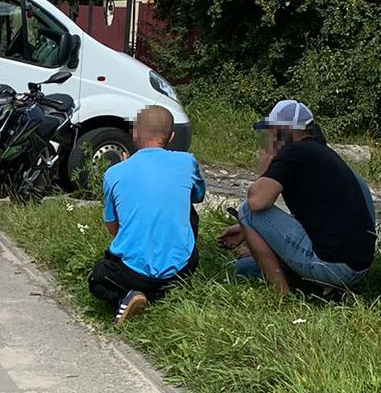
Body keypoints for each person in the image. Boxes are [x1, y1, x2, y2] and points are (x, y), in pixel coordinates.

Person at [217, 100, 376, 295]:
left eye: (271, 132)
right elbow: (316, 217)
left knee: (247, 211)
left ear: (285, 131)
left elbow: (256, 202)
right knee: (246, 267)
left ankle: (280, 297)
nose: (267, 139)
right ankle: (326, 290)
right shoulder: (320, 153)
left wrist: (265, 169)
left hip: (333, 266)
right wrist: (244, 231)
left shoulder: (294, 152)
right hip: (356, 266)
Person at [88, 105, 205, 324]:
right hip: (183, 268)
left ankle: (130, 295)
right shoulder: (188, 162)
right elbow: (198, 197)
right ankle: (164, 289)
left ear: (134, 133)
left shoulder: (114, 173)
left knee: (98, 277)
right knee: (188, 206)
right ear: (170, 136)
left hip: (130, 273)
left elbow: (113, 229)